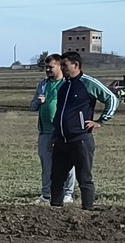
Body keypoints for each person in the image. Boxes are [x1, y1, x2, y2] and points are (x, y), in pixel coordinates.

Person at [46, 51, 116, 210]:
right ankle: (55, 209)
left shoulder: (88, 83)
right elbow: (60, 113)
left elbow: (111, 98)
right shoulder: (63, 86)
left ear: (75, 65)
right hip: (61, 141)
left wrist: (100, 121)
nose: (62, 69)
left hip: (81, 140)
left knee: (84, 178)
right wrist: (54, 136)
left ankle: (88, 210)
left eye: (65, 65)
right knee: (56, 178)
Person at [33, 52, 90, 205]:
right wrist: (39, 102)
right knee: (47, 165)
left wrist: (100, 121)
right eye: (46, 67)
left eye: (50, 67)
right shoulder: (43, 84)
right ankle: (46, 194)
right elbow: (32, 106)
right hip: (44, 131)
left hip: (61, 131)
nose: (47, 70)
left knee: (67, 165)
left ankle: (68, 194)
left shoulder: (67, 85)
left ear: (59, 66)